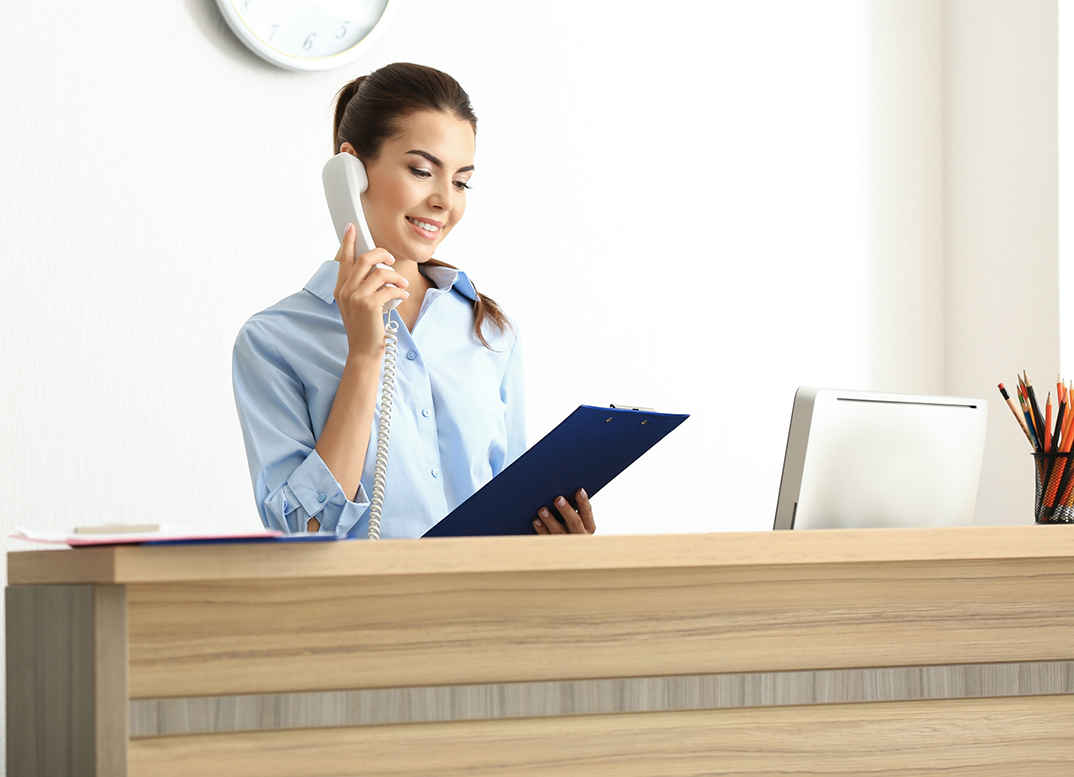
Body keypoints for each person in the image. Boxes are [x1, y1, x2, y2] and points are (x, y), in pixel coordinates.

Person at [232, 62, 595, 539]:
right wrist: (364, 356)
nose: (446, 200)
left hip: (488, 609)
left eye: (461, 181)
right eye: (422, 171)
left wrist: (555, 538)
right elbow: (303, 530)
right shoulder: (274, 341)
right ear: (352, 171)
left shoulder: (490, 332)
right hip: (364, 612)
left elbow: (514, 510)